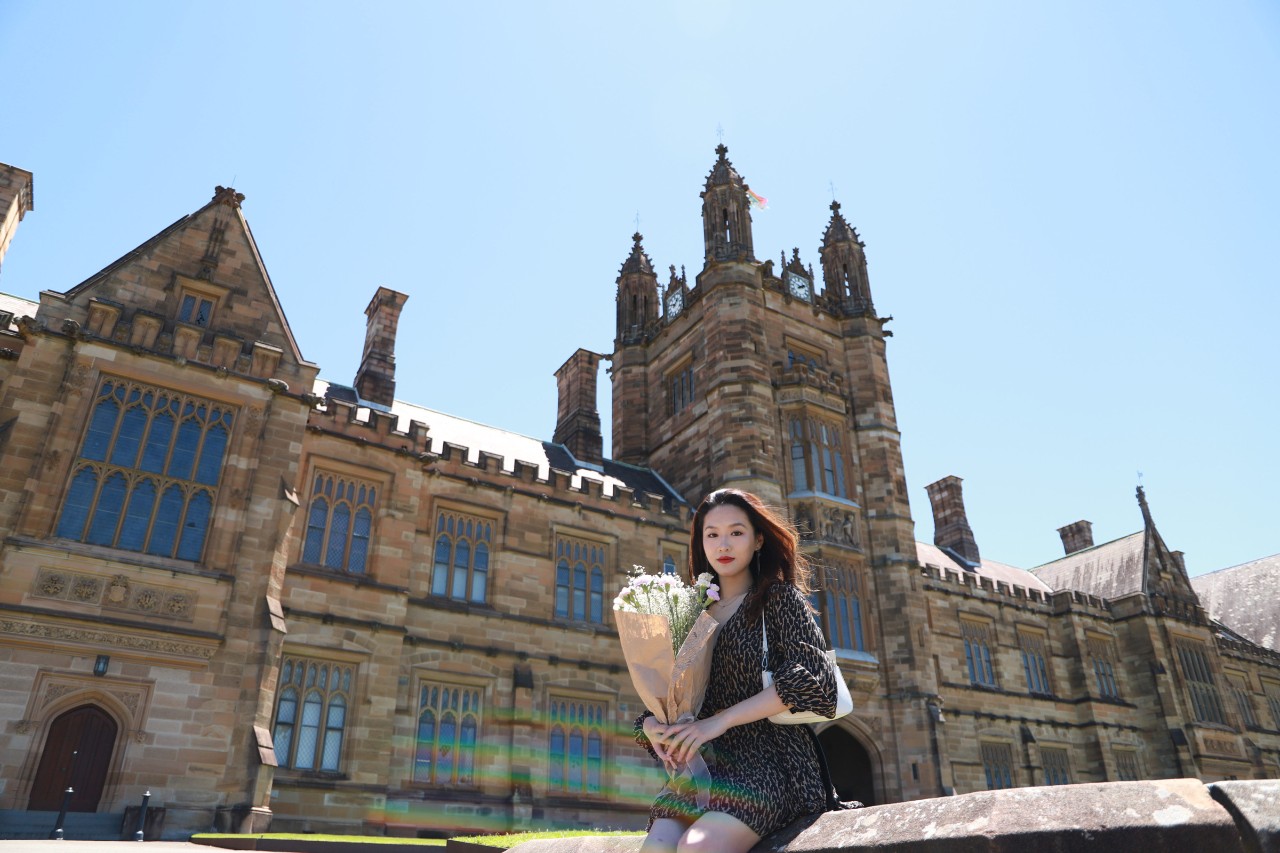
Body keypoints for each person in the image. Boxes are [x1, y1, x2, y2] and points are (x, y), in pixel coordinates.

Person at [635, 488, 839, 853]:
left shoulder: (778, 599)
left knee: (698, 846)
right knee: (656, 848)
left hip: (771, 762)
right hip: (706, 772)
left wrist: (719, 721)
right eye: (712, 534)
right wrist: (652, 727)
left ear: (759, 539)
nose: (723, 544)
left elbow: (815, 681)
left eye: (736, 532)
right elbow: (676, 697)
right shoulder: (693, 615)